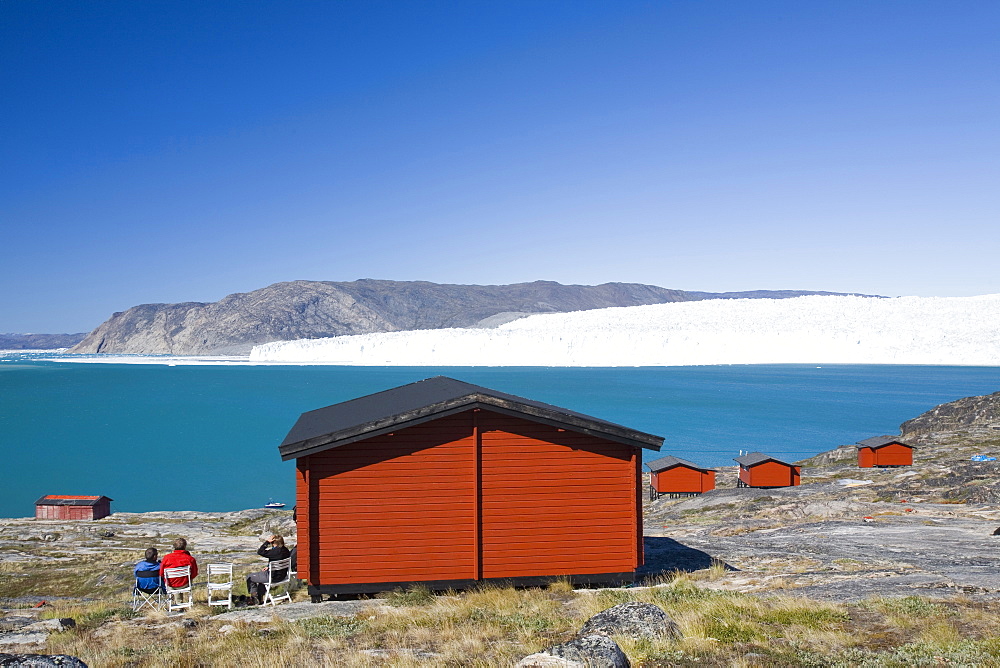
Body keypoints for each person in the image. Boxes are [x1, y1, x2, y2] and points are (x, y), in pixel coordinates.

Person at [246, 534, 291, 605]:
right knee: (261, 576)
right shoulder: (286, 550)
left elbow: (260, 551)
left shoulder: (274, 552)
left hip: (273, 577)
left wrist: (267, 542)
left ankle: (254, 598)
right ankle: (259, 598)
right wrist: (269, 566)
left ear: (273, 542)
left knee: (249, 577)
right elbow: (278, 560)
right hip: (283, 576)